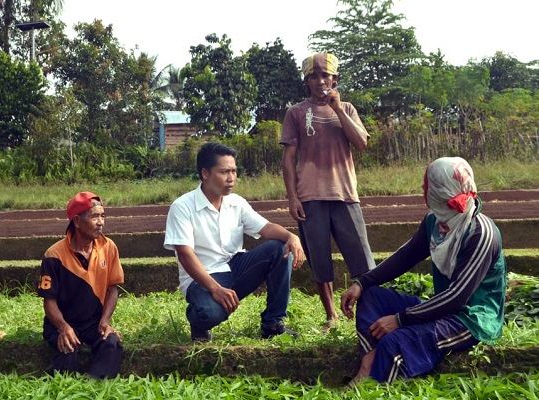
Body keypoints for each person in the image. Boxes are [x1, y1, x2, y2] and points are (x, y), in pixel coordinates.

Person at [340, 157, 506, 383]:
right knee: (371, 296)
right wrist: (363, 282)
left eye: (427, 184)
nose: (423, 189)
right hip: (442, 308)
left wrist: (400, 319)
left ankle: (373, 387)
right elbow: (405, 257)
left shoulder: (481, 233)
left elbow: (457, 298)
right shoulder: (435, 222)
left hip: (470, 319)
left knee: (394, 342)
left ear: (439, 191)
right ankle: (368, 366)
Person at [164, 142, 306, 342]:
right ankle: (198, 321)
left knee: (279, 247)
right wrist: (216, 289)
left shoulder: (236, 202)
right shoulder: (182, 207)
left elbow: (266, 228)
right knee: (208, 314)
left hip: (236, 268)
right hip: (203, 278)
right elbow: (186, 256)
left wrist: (292, 237)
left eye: (234, 171)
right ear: (205, 173)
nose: (231, 178)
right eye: (224, 172)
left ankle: (273, 323)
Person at [280, 52, 375, 331]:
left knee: (362, 259)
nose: (320, 81)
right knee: (319, 260)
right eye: (314, 76)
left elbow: (361, 143)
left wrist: (337, 109)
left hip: (345, 194)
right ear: (306, 81)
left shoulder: (347, 108)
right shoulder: (296, 113)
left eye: (326, 75)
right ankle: (331, 315)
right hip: (310, 197)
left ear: (335, 79)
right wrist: (292, 197)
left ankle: (368, 313)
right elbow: (288, 158)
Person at [38, 192, 124, 378]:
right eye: (94, 216)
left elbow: (112, 289)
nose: (100, 222)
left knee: (111, 344)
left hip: (93, 322)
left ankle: (95, 387)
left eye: (103, 216)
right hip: (62, 322)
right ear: (77, 221)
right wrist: (63, 327)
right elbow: (49, 301)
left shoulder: (109, 248)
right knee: (68, 353)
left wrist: (105, 322)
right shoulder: (54, 255)